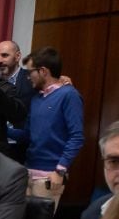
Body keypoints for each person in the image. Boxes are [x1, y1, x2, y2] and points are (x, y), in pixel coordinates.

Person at [16, 46, 84, 210]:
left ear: (43, 71)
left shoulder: (69, 95)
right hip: (28, 171)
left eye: (30, 72)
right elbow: (27, 134)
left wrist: (60, 170)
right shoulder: (36, 99)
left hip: (50, 175)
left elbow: (77, 137)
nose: (28, 77)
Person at [0, 39, 35, 163]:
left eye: (5, 55)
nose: (0, 60)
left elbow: (52, 84)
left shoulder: (32, 77)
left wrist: (62, 81)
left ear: (17, 57)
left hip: (23, 148)